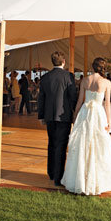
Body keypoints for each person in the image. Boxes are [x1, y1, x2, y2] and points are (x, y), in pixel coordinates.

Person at [61, 57, 111, 195]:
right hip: (98, 114)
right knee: (99, 145)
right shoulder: (106, 82)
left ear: (93, 67)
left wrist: (75, 116)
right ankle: (95, 179)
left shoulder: (85, 80)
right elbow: (107, 104)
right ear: (103, 68)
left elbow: (79, 101)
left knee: (83, 144)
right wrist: (108, 121)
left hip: (85, 113)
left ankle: (80, 179)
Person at [37, 51, 77, 186]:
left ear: (52, 62)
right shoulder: (68, 76)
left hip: (49, 116)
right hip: (63, 116)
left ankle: (51, 172)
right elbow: (72, 97)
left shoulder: (45, 77)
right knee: (61, 146)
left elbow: (41, 98)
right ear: (63, 61)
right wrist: (74, 113)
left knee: (51, 143)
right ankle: (58, 178)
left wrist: (41, 115)